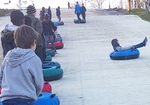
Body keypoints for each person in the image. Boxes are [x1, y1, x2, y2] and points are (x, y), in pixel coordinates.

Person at [0, 25, 44, 105]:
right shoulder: (34, 59)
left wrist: (6, 90)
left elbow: (1, 77)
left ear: (15, 41)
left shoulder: (7, 57)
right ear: (34, 42)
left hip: (6, 99)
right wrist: (34, 94)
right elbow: (39, 83)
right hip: (26, 98)